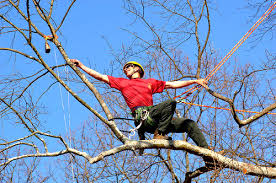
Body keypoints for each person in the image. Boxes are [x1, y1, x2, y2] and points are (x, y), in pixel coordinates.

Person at [70, 59, 221, 166]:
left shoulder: (150, 82)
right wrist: (82, 66)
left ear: (137, 69)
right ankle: (160, 134)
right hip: (143, 116)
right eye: (124, 68)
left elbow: (172, 84)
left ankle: (208, 156)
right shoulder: (123, 83)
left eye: (128, 66)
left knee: (190, 124)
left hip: (155, 118)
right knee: (170, 103)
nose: (125, 69)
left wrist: (195, 81)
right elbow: (100, 76)